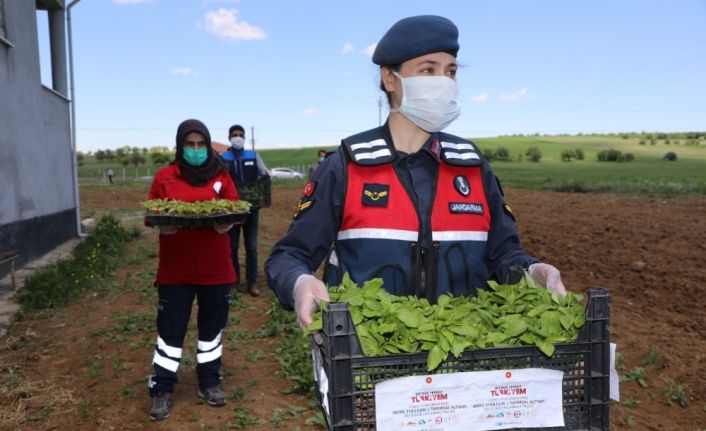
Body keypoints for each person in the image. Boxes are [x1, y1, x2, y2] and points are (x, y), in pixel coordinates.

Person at [265, 15, 567, 330]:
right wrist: (299, 282)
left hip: (464, 353)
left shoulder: (474, 169)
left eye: (450, 72)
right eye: (428, 70)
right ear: (390, 79)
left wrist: (531, 271)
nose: (444, 81)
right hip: (365, 358)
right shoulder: (345, 168)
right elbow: (288, 256)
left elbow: (503, 253)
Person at [146, 119, 238, 421]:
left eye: (201, 144)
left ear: (208, 145)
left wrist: (228, 220)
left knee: (211, 330)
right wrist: (164, 223)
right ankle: (162, 387)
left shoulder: (221, 176)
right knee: (170, 331)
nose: (196, 150)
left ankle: (209, 381)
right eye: (190, 144)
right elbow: (152, 212)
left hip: (215, 269)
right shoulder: (165, 177)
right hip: (176, 270)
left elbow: (235, 209)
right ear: (180, 145)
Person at [220, 124, 269, 296]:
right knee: (231, 246)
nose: (238, 137)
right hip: (231, 210)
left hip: (251, 208)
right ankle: (233, 280)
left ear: (244, 137)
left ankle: (252, 282)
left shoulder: (253, 156)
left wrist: (262, 186)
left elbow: (264, 173)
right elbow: (217, 179)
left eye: (241, 134)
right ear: (229, 138)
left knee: (251, 246)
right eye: (235, 135)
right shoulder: (223, 157)